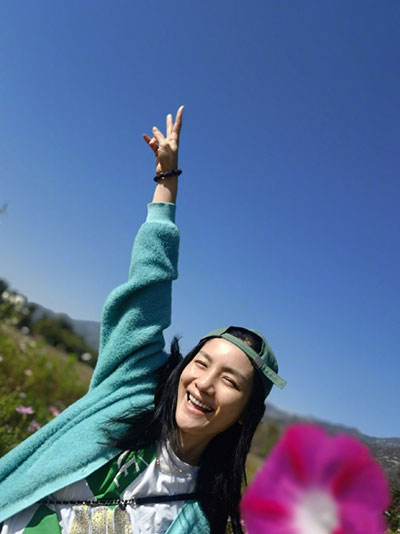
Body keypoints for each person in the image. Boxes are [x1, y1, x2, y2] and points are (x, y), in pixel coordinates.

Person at [0, 107, 286, 534]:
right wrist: (167, 182)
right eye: (201, 363)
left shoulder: (196, 518)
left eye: (230, 381)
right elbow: (147, 288)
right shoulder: (130, 395)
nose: (205, 384)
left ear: (245, 414)